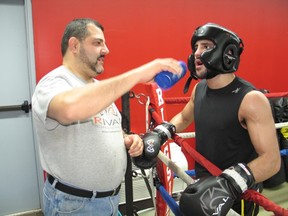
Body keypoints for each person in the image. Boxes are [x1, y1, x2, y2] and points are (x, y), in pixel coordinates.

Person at [32, 18, 183, 216]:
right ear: (74, 45)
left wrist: (127, 139)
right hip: (75, 205)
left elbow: (107, 126)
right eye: (97, 43)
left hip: (110, 201)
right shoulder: (53, 83)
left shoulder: (96, 87)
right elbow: (69, 110)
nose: (106, 50)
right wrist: (138, 74)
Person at [169, 23, 281, 215]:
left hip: (237, 196)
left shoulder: (250, 99)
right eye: (195, 47)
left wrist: (227, 184)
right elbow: (184, 117)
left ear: (227, 52)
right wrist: (162, 131)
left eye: (205, 46)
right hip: (203, 188)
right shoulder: (200, 89)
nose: (197, 53)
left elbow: (271, 161)